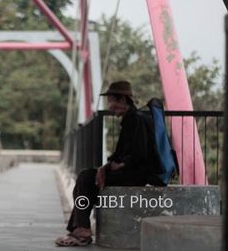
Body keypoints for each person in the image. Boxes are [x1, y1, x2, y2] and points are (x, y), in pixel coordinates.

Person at [55, 80, 159, 247]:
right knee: (87, 178)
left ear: (123, 101)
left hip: (138, 174)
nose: (110, 106)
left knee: (86, 178)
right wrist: (106, 167)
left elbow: (140, 154)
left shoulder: (136, 120)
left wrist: (119, 165)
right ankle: (79, 228)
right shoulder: (130, 119)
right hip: (133, 171)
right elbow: (119, 154)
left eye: (112, 101)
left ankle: (81, 230)